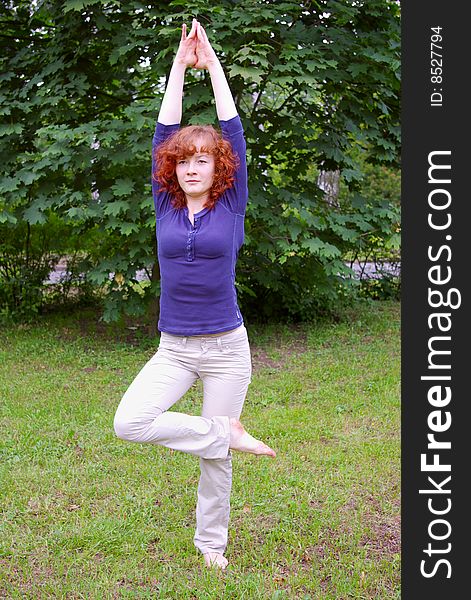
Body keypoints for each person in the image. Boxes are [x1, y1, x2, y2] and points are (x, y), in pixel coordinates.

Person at [113, 19, 276, 570]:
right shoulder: (165, 202)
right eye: (183, 161)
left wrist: (215, 67)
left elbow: (232, 127)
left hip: (227, 347)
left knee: (215, 464)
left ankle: (212, 547)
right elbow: (164, 128)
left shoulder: (232, 204)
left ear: (219, 167)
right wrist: (179, 68)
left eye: (201, 160)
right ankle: (222, 431)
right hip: (175, 348)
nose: (189, 167)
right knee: (129, 421)